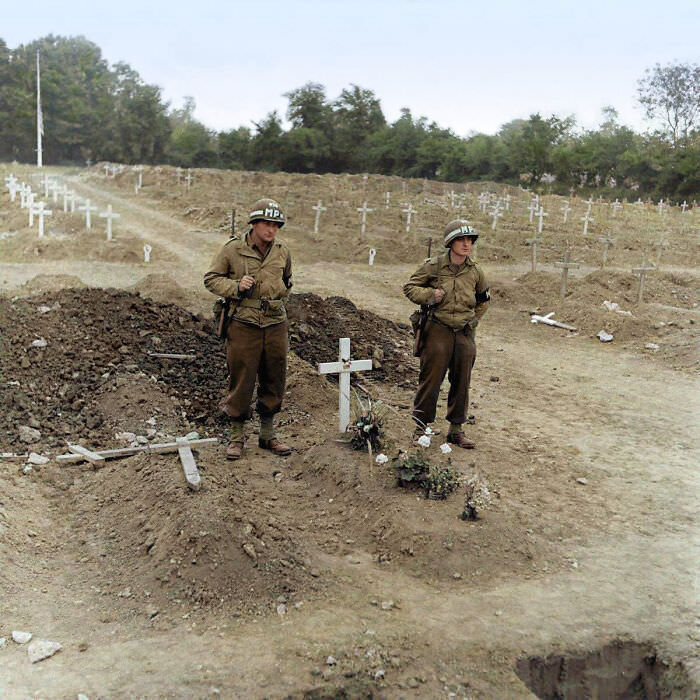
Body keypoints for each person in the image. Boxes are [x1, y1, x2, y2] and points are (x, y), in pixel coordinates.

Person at [204, 197, 293, 460]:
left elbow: (287, 281)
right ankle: (235, 437)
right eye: (266, 224)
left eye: (276, 225)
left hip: (275, 322)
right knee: (242, 378)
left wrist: (276, 297)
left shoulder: (282, 251)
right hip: (243, 323)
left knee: (274, 376)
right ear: (254, 224)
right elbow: (211, 279)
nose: (271, 230)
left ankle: (267, 435)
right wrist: (235, 287)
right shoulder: (233, 250)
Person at [403, 219, 490, 448]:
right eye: (461, 240)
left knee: (462, 380)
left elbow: (483, 300)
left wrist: (473, 322)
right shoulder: (434, 266)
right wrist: (431, 295)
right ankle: (421, 427)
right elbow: (410, 287)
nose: (466, 244)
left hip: (463, 331)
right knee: (431, 379)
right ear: (450, 242)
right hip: (437, 328)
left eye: (469, 240)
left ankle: (456, 429)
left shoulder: (476, 271)